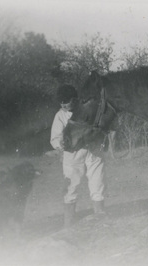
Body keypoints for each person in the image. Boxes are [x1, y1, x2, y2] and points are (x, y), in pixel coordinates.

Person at [50, 84, 106, 228]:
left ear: (75, 99)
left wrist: (99, 137)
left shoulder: (88, 108)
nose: (63, 104)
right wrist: (60, 145)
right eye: (60, 102)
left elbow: (100, 125)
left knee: (97, 182)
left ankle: (100, 216)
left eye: (66, 101)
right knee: (71, 186)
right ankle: (68, 223)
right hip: (73, 154)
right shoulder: (60, 115)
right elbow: (55, 137)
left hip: (93, 151)